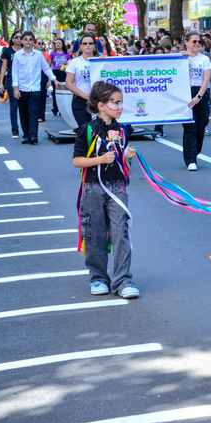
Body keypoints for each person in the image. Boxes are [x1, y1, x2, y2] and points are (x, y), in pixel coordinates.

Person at [73, 81, 139, 299]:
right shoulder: (88, 130)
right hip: (93, 187)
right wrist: (100, 159)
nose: (120, 107)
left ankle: (123, 280)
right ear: (101, 105)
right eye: (115, 102)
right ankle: (98, 277)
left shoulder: (122, 129)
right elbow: (77, 161)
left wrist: (127, 158)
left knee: (121, 230)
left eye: (121, 102)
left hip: (117, 186)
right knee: (95, 232)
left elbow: (122, 165)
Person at [12, 32, 59, 144]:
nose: (28, 41)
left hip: (35, 88)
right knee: (23, 113)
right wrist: (15, 88)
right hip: (22, 88)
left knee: (33, 112)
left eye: (30, 39)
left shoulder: (38, 55)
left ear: (33, 41)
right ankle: (26, 135)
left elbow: (46, 68)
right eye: (26, 39)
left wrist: (54, 79)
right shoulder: (18, 55)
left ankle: (34, 135)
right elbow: (14, 72)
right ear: (22, 41)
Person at [183, 32, 211, 171]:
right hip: (185, 93)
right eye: (193, 41)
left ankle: (195, 152)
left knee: (200, 127)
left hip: (200, 94)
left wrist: (199, 97)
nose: (196, 44)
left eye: (198, 41)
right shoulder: (181, 58)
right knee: (190, 127)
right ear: (186, 42)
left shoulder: (205, 59)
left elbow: (206, 80)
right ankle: (190, 159)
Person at [66, 35, 99, 126]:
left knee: (98, 130)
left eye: (90, 43)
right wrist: (84, 95)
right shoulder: (75, 62)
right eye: (85, 43)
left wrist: (105, 61)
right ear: (81, 46)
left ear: (94, 46)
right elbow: (68, 83)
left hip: (98, 100)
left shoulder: (100, 62)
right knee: (85, 130)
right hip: (80, 101)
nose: (87, 45)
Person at [0, 31, 22, 137]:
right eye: (16, 37)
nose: (18, 39)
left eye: (20, 37)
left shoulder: (25, 50)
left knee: (24, 106)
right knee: (13, 105)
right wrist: (1, 83)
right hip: (11, 79)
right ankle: (15, 130)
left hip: (24, 80)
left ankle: (26, 130)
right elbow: (4, 67)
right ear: (12, 39)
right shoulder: (7, 51)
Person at [49, 38, 69, 117]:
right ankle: (55, 108)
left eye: (59, 43)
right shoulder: (52, 54)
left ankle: (62, 110)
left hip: (64, 73)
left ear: (62, 44)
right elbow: (49, 65)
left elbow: (69, 64)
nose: (58, 44)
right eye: (56, 43)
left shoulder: (66, 54)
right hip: (55, 73)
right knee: (55, 91)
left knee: (63, 92)